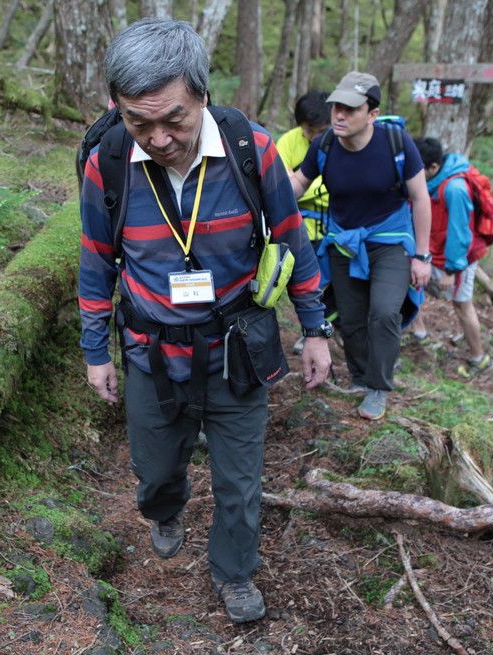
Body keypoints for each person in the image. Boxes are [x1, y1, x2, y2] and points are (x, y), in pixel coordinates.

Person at [78, 18, 332, 624]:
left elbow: (292, 241)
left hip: (236, 347)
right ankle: (165, 508)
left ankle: (234, 571)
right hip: (150, 350)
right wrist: (95, 351)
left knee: (240, 482)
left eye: (174, 119)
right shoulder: (108, 162)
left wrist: (315, 329)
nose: (159, 138)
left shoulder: (251, 150)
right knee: (155, 469)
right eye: (139, 123)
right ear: (117, 107)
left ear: (202, 94)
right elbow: (96, 260)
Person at [290, 71, 431, 421]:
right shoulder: (324, 145)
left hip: (390, 239)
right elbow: (298, 183)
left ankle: (378, 387)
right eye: (336, 107)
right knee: (351, 318)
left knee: (383, 311)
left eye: (351, 109)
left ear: (372, 114)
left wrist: (422, 256)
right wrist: (264, 192)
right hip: (344, 241)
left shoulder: (396, 143)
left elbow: (420, 198)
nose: (339, 115)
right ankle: (360, 377)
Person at [404, 136, 493, 379]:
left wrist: (451, 270)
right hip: (433, 250)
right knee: (405, 284)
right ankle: (419, 334)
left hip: (458, 259)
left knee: (462, 306)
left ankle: (479, 359)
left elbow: (459, 233)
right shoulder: (431, 182)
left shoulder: (454, 188)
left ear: (434, 167)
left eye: (419, 170)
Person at [277, 90, 334, 354]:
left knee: (330, 282)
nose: (314, 137)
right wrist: (315, 186)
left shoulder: (338, 142)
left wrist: (301, 184)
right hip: (299, 228)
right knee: (305, 283)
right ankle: (310, 330)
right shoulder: (288, 141)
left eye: (321, 130)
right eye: (309, 130)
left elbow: (329, 186)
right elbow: (281, 181)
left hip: (332, 228)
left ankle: (326, 327)